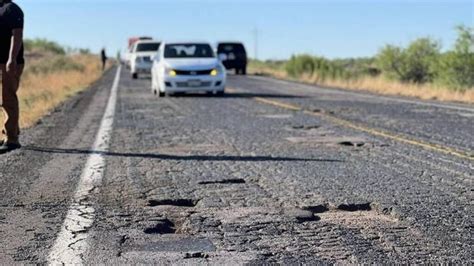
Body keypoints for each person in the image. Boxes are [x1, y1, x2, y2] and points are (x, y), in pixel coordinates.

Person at [0, 0, 24, 154]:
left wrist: (11, 59)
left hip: (8, 62)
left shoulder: (12, 9)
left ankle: (12, 139)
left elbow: (17, 35)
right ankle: (9, 131)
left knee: (7, 98)